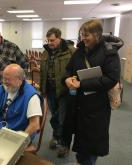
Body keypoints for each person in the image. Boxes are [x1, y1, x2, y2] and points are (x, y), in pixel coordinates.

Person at [64, 19, 123, 165]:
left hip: (97, 107)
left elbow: (111, 79)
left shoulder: (109, 53)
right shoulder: (80, 51)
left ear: (97, 35)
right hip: (79, 105)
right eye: (82, 35)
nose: (83, 39)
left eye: (86, 36)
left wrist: (82, 84)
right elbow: (68, 70)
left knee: (92, 145)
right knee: (80, 141)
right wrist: (66, 79)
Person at [40, 27, 75, 157]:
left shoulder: (70, 51)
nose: (50, 42)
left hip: (64, 91)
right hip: (50, 90)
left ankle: (64, 144)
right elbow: (43, 73)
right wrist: (42, 90)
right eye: (48, 40)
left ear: (60, 38)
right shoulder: (45, 52)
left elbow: (76, 69)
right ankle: (56, 136)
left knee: (62, 118)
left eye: (52, 40)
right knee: (54, 116)